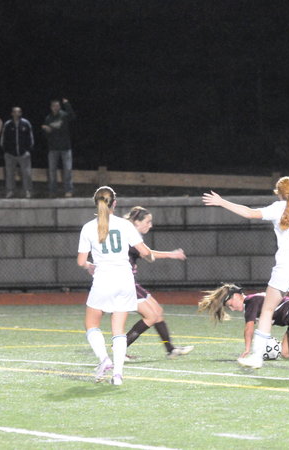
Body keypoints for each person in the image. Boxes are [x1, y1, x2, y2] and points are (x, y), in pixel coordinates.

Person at [202, 173, 289, 371]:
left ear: (279, 193)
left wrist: (222, 202)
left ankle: (257, 357)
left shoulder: (277, 208)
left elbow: (249, 213)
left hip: (286, 264)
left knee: (267, 310)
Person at [77, 186, 154, 386]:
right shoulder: (125, 225)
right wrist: (149, 256)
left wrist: (89, 266)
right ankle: (118, 375)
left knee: (91, 324)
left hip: (104, 280)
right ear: (115, 204)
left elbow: (81, 261)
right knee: (118, 329)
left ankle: (104, 359)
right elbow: (144, 251)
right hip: (125, 280)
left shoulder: (88, 227)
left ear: (96, 203)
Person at [123, 206, 194, 358]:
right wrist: (172, 255)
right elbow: (147, 253)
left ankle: (171, 349)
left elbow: (146, 253)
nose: (150, 225)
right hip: (124, 283)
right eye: (147, 222)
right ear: (137, 222)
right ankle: (120, 350)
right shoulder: (129, 235)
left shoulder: (130, 233)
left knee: (158, 312)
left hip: (130, 282)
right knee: (151, 316)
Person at [198, 284, 289, 359]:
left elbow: (249, 328)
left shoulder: (250, 302)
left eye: (230, 304)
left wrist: (248, 349)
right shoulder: (251, 301)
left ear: (236, 296)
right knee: (286, 353)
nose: (231, 308)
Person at [42, 98, 76, 197]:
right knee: (52, 171)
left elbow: (72, 116)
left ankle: (68, 190)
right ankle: (53, 191)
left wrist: (67, 104)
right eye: (54, 106)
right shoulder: (48, 118)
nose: (56, 108)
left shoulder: (64, 115)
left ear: (60, 106)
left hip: (66, 148)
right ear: (51, 107)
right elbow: (46, 135)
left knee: (67, 170)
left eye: (57, 106)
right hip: (53, 149)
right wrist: (46, 130)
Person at [0, 107, 34, 198]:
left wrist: (27, 150)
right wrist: (6, 150)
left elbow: (30, 137)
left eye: (18, 112)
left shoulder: (26, 123)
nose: (16, 113)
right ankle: (10, 191)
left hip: (23, 154)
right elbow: (3, 138)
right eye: (15, 112)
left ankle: (27, 191)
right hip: (10, 154)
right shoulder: (7, 124)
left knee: (26, 173)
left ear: (21, 113)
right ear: (12, 113)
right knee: (9, 173)